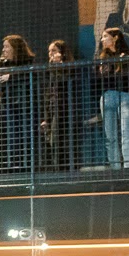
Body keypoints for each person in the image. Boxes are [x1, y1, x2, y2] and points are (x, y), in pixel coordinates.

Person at [96, 26, 129, 170]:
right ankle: (115, 167)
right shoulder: (102, 58)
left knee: (126, 131)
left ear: (115, 38)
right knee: (110, 135)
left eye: (105, 36)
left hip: (125, 95)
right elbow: (97, 80)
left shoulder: (127, 56)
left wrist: (124, 62)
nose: (102, 40)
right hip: (108, 96)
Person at [0, 35, 36, 174]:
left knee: (26, 134)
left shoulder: (28, 61)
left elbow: (30, 76)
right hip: (8, 104)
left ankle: (29, 166)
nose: (4, 49)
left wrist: (11, 76)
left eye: (7, 46)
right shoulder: (2, 63)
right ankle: (15, 166)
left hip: (25, 105)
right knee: (12, 136)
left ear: (15, 48)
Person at [39, 39, 82, 173]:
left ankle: (68, 170)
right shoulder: (49, 70)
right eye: (49, 51)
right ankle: (57, 169)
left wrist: (59, 67)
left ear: (62, 53)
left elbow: (66, 82)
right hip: (53, 110)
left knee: (64, 141)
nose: (50, 54)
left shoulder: (70, 68)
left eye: (54, 51)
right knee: (53, 141)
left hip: (66, 109)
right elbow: (47, 96)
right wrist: (46, 118)